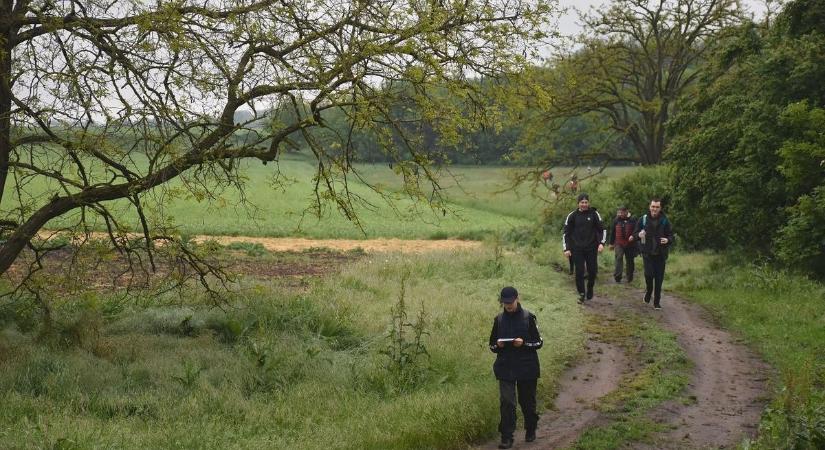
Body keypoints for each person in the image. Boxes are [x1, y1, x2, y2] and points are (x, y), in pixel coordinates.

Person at [488, 286, 543, 449]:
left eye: (510, 302)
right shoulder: (498, 320)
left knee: (527, 402)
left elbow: (539, 343)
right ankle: (506, 436)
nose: (508, 306)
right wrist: (497, 345)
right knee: (507, 402)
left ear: (517, 298)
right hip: (505, 366)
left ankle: (531, 427)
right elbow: (491, 345)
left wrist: (524, 343)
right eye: (505, 303)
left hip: (527, 367)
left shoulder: (528, 318)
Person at [631, 198, 674, 310]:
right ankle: (649, 291)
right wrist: (639, 235)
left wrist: (667, 240)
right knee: (649, 275)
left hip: (661, 254)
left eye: (657, 207)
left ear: (660, 208)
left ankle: (657, 301)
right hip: (647, 254)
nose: (654, 209)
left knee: (659, 279)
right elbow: (634, 234)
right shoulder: (643, 220)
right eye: (653, 206)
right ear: (649, 207)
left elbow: (671, 236)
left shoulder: (665, 220)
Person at [562, 193, 606, 303]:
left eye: (586, 202)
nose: (584, 204)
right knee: (579, 271)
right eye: (582, 202)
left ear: (589, 203)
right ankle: (581, 293)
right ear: (578, 204)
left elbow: (602, 230)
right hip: (577, 248)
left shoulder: (594, 214)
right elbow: (566, 233)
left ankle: (590, 287)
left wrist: (601, 243)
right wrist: (566, 248)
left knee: (592, 271)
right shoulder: (572, 216)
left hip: (591, 247)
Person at [608, 206, 637, 283]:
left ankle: (629, 277)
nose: (620, 214)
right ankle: (617, 277)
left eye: (621, 212)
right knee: (619, 257)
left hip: (630, 243)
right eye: (619, 212)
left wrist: (633, 236)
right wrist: (611, 243)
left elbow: (637, 230)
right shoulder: (616, 220)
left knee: (630, 260)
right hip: (619, 243)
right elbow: (612, 232)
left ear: (626, 212)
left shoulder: (633, 219)